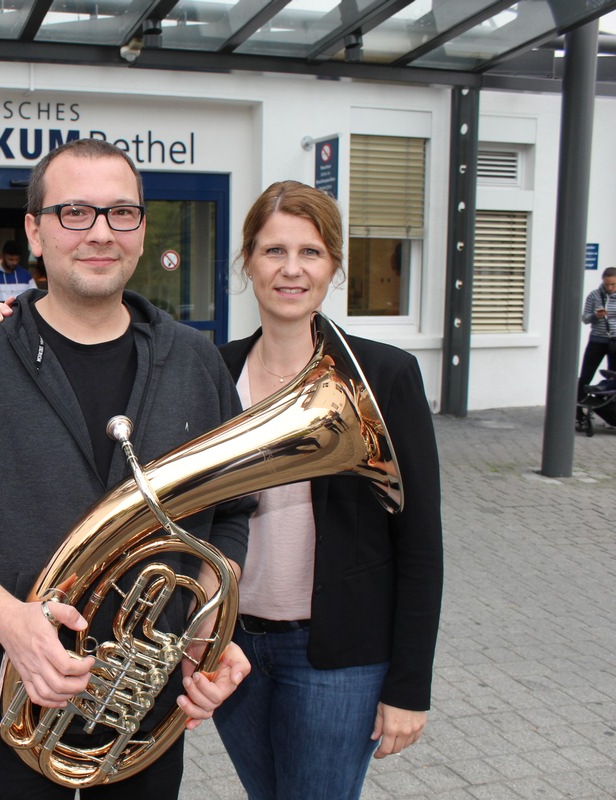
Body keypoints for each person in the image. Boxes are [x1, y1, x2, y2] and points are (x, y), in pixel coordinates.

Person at [0, 138, 253, 800]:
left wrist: (209, 623)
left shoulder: (196, 362)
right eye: (75, 212)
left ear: (142, 229)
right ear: (35, 229)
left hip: (149, 701)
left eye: (121, 213)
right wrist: (11, 623)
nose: (100, 233)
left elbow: (229, 514)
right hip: (9, 694)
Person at [211, 180, 443, 800]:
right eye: (273, 251)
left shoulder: (384, 374)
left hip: (339, 656)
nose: (291, 269)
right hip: (232, 647)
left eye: (310, 252)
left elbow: (421, 543)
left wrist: (408, 687)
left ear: (334, 266)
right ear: (248, 262)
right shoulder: (213, 371)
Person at [576, 266, 616, 425]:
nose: (610, 288)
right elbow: (585, 318)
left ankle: (611, 415)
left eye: (613, 284)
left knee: (614, 377)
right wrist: (595, 316)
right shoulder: (594, 295)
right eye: (607, 284)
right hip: (597, 341)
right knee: (586, 375)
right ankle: (578, 413)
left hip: (615, 342)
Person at [0, 238, 37, 303]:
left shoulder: (26, 276)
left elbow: (35, 298)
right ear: (2, 256)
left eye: (17, 259)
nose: (14, 262)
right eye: (10, 259)